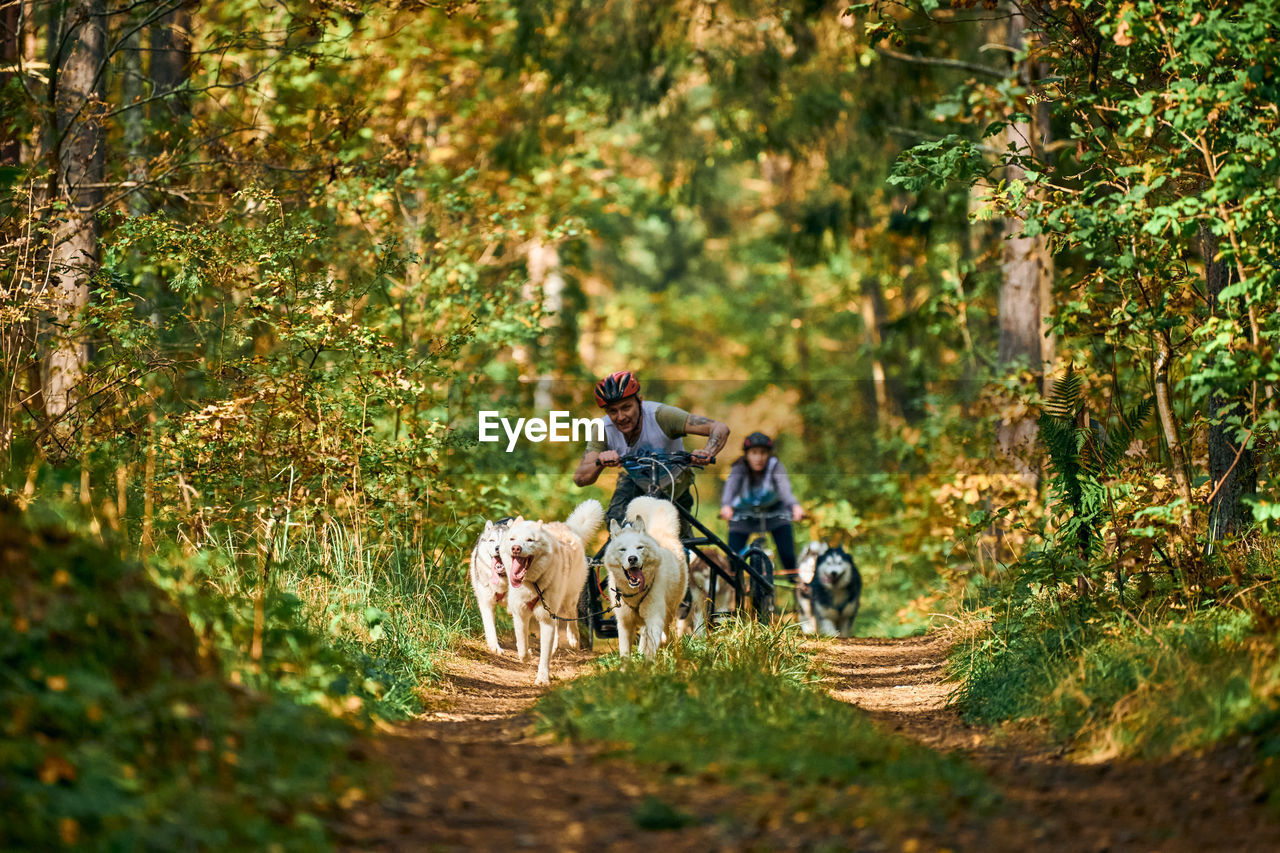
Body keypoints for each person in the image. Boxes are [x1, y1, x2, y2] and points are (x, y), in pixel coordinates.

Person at [573, 370, 730, 540]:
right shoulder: (603, 429)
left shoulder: (661, 416)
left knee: (676, 541)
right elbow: (580, 478)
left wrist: (708, 452)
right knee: (616, 523)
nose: (620, 417)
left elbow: (719, 428)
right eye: (612, 411)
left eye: (626, 407)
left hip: (675, 484)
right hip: (635, 484)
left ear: (639, 401)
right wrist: (600, 461)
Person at [718, 432, 804, 582]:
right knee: (732, 557)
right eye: (754, 453)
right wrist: (726, 506)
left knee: (787, 554)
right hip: (744, 514)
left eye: (763, 453)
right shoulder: (739, 468)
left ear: (769, 454)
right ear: (747, 454)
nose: (759, 458)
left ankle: (795, 582)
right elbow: (730, 489)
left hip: (774, 512)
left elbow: (785, 490)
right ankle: (731, 587)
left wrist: (795, 506)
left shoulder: (775, 466)